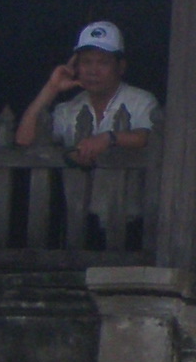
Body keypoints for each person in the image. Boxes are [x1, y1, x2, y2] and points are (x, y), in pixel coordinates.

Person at [17, 19, 158, 246]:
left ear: (120, 66)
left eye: (103, 62)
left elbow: (151, 137)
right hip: (78, 221)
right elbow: (24, 140)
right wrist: (51, 88)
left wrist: (110, 138)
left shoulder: (141, 101)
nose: (93, 70)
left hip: (129, 222)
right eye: (86, 62)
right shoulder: (69, 109)